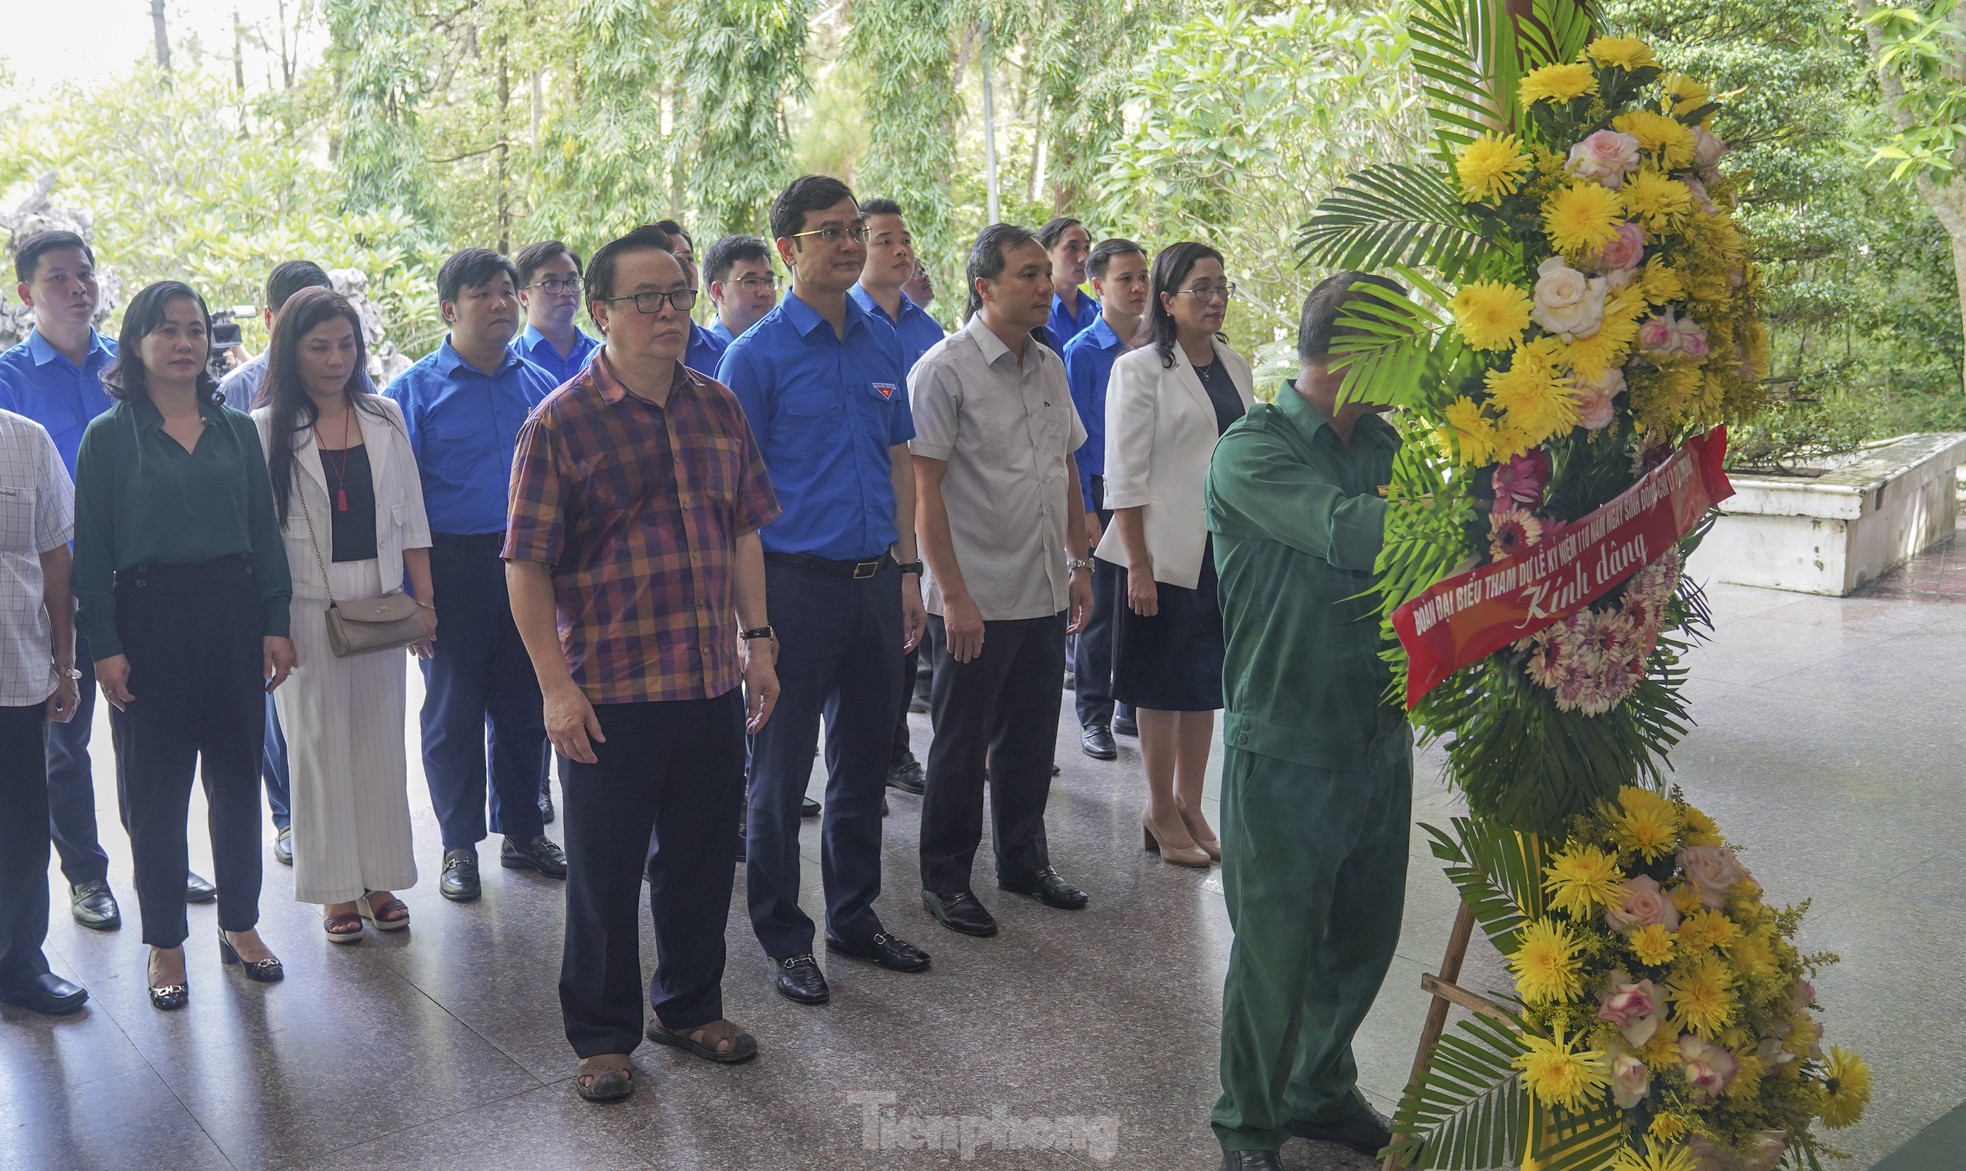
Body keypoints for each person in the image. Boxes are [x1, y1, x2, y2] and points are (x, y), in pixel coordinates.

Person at [506, 224, 780, 1103]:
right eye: (646, 298)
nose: (670, 312)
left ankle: (690, 1006)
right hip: (610, 690)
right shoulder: (559, 423)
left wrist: (760, 639)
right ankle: (602, 1034)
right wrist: (555, 686)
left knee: (701, 861)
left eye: (678, 295)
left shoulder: (716, 404)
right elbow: (527, 566)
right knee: (604, 875)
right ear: (602, 312)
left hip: (706, 677)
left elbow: (743, 528)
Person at [1205, 273, 1411, 1170]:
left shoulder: (1380, 442)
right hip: (1285, 739)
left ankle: (1319, 1090)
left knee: (1363, 934)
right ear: (1358, 351)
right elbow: (1350, 532)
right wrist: (1479, 516)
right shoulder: (1252, 451)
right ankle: (1248, 1124)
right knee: (1276, 952)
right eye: (1403, 350)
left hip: (1375, 730)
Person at [719, 175, 932, 1006]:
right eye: (829, 232)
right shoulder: (757, 356)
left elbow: (898, 460)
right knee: (779, 774)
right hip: (792, 587)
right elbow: (735, 501)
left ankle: (854, 914)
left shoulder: (882, 342)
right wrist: (753, 625)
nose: (848, 244)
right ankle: (783, 934)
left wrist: (909, 570)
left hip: (875, 581)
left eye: (856, 230)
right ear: (787, 248)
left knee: (862, 764)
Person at [72, 280, 297, 1010]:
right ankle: (166, 940)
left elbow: (264, 535)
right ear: (135, 343)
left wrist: (276, 620)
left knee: (237, 783)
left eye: (195, 329)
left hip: (233, 614)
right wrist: (103, 644)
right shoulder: (108, 436)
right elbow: (92, 553)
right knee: (157, 792)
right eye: (166, 330)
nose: (183, 342)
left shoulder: (235, 430)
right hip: (149, 621)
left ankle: (241, 925)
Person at [0, 230, 216, 930]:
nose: (77, 288)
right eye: (58, 278)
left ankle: (161, 857)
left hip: (141, 583)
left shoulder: (127, 366)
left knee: (150, 731)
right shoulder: (9, 380)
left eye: (84, 274)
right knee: (65, 735)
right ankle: (86, 874)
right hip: (52, 583)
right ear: (28, 293)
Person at [909, 223, 1093, 939]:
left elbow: (1066, 469)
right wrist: (951, 595)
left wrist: (1078, 565)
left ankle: (1024, 861)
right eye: (1028, 274)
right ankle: (945, 878)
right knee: (960, 742)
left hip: (1045, 584)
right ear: (984, 287)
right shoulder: (944, 370)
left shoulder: (1048, 364)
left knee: (1031, 740)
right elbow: (924, 492)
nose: (1045, 285)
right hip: (974, 594)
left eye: (1046, 272)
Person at [254, 288, 432, 943]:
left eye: (345, 345)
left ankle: (379, 878)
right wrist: (269, 627)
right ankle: (335, 892)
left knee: (379, 742)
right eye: (319, 345)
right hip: (304, 608)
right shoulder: (266, 427)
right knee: (319, 747)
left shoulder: (384, 416)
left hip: (382, 602)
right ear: (291, 349)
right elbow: (260, 539)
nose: (335, 359)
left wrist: (427, 601)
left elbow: (412, 516)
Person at [386, 249, 565, 903]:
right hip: (450, 568)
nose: (499, 304)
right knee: (452, 714)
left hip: (528, 565)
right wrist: (415, 600)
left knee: (525, 704)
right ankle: (458, 846)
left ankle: (523, 831)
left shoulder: (540, 385)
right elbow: (398, 508)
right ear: (448, 309)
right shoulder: (411, 394)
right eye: (481, 294)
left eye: (505, 291)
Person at [1098, 242, 1253, 870]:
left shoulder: (1234, 365)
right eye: (1200, 288)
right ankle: (1158, 808)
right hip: (1159, 554)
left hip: (1220, 551)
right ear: (1168, 300)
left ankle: (1191, 804)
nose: (1214, 299)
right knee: (1159, 688)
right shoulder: (1138, 370)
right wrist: (1136, 564)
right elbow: (1124, 477)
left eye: (1221, 286)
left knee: (1203, 685)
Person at [217, 259, 342, 870]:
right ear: (273, 321)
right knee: (279, 705)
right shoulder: (239, 394)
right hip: (265, 577)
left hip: (342, 578)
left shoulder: (361, 399)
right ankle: (289, 816)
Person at [848, 197, 947, 801]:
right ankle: (858, 764)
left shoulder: (925, 328)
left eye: (904, 239)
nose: (900, 249)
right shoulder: (848, 320)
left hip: (918, 502)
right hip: (859, 510)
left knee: (904, 644)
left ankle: (895, 751)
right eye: (884, 240)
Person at [0, 407, 89, 1016]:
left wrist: (65, 665)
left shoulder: (26, 440)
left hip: (15, 670)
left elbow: (57, 557)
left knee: (23, 830)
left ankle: (22, 963)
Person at [1063, 238, 1150, 761]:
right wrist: (1086, 511)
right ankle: (1093, 716)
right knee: (1098, 611)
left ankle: (1129, 704)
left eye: (1143, 276)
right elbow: (1072, 442)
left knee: (1141, 604)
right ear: (1098, 287)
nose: (1138, 287)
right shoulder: (1082, 354)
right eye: (1125, 279)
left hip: (1142, 488)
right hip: (1097, 490)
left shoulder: (1155, 348)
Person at [216, 260, 337, 411]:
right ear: (268, 318)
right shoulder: (235, 390)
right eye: (293, 325)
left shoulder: (348, 378)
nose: (307, 336)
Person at [512, 240, 599, 386]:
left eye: (572, 281)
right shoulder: (510, 363)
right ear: (523, 296)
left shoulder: (605, 358)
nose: (566, 291)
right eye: (551, 283)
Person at [649, 220, 728, 377]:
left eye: (689, 259)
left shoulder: (722, 350)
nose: (684, 270)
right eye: (673, 259)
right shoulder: (612, 358)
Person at [703, 234, 780, 347]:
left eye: (769, 281)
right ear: (719, 292)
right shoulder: (703, 355)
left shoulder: (784, 345)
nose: (765, 292)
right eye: (751, 282)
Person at [1038, 217, 1099, 351]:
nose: (1084, 258)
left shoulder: (1099, 313)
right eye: (1072, 247)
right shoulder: (1036, 317)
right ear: (1045, 254)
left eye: (1087, 248)